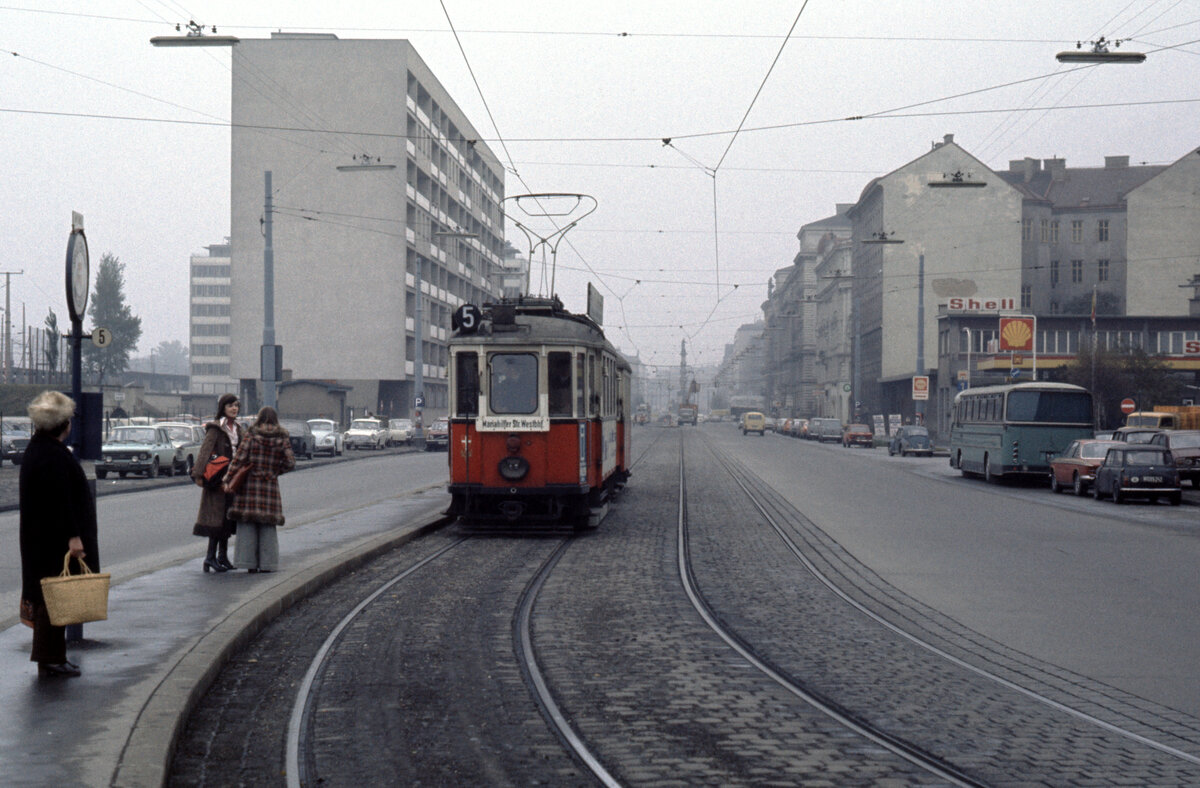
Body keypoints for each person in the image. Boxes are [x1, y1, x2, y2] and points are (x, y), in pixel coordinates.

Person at [18, 391, 99, 678]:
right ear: (63, 425)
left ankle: (51, 656)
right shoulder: (52, 455)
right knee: (55, 600)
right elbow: (60, 502)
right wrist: (73, 537)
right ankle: (51, 659)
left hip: (41, 539)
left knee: (48, 599)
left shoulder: (38, 449)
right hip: (53, 541)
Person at [226, 406, 295, 573]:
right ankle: (268, 564)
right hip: (269, 485)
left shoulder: (251, 435)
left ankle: (248, 562)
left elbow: (239, 459)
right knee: (268, 526)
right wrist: (275, 472)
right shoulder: (282, 438)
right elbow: (290, 463)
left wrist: (228, 478)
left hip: (249, 486)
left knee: (248, 523)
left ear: (259, 418)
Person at [191, 393, 245, 573]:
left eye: (236, 405)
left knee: (228, 520)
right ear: (223, 408)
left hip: (233, 479)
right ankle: (210, 558)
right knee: (216, 520)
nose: (234, 409)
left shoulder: (237, 427)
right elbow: (205, 451)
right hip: (217, 479)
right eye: (230, 405)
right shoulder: (215, 428)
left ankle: (222, 557)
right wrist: (198, 474)